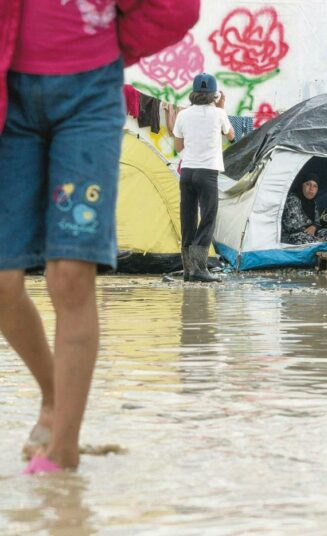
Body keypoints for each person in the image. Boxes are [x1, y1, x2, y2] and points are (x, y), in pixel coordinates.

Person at [0, 0, 199, 473]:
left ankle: (63, 452)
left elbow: (176, 7)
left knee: (69, 276)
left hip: (89, 98)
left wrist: (111, 46)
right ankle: (54, 394)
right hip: (9, 100)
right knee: (3, 281)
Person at [173, 73, 235, 282]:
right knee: (207, 217)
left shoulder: (183, 115)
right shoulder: (218, 114)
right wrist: (222, 107)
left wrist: (191, 156)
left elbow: (178, 146)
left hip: (187, 172)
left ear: (193, 93)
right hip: (208, 173)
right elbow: (232, 136)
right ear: (214, 95)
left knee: (187, 219)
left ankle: (188, 270)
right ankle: (199, 268)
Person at [281, 174, 327, 244]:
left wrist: (314, 227)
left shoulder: (313, 203)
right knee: (302, 239)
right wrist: (314, 237)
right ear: (302, 185)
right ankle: (319, 243)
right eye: (308, 184)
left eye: (315, 186)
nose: (311, 189)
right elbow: (292, 227)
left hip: (311, 235)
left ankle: (317, 243)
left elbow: (317, 223)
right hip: (294, 235)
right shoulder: (292, 199)